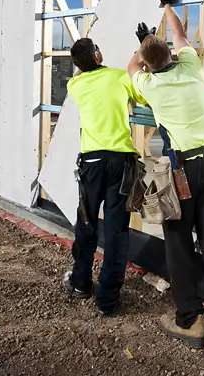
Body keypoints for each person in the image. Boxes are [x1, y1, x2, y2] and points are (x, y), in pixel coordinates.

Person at [127, 0, 204, 364]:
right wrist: (168, 6)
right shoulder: (192, 68)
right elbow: (179, 36)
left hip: (180, 173)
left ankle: (190, 321)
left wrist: (142, 46)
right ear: (173, 56)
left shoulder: (149, 85)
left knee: (177, 243)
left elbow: (131, 66)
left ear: (149, 65)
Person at [63, 37, 143, 316]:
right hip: (120, 163)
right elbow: (143, 95)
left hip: (91, 163)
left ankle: (80, 283)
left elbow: (80, 71)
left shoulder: (76, 84)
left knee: (86, 223)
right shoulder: (120, 77)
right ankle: (107, 301)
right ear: (98, 55)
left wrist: (88, 62)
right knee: (116, 231)